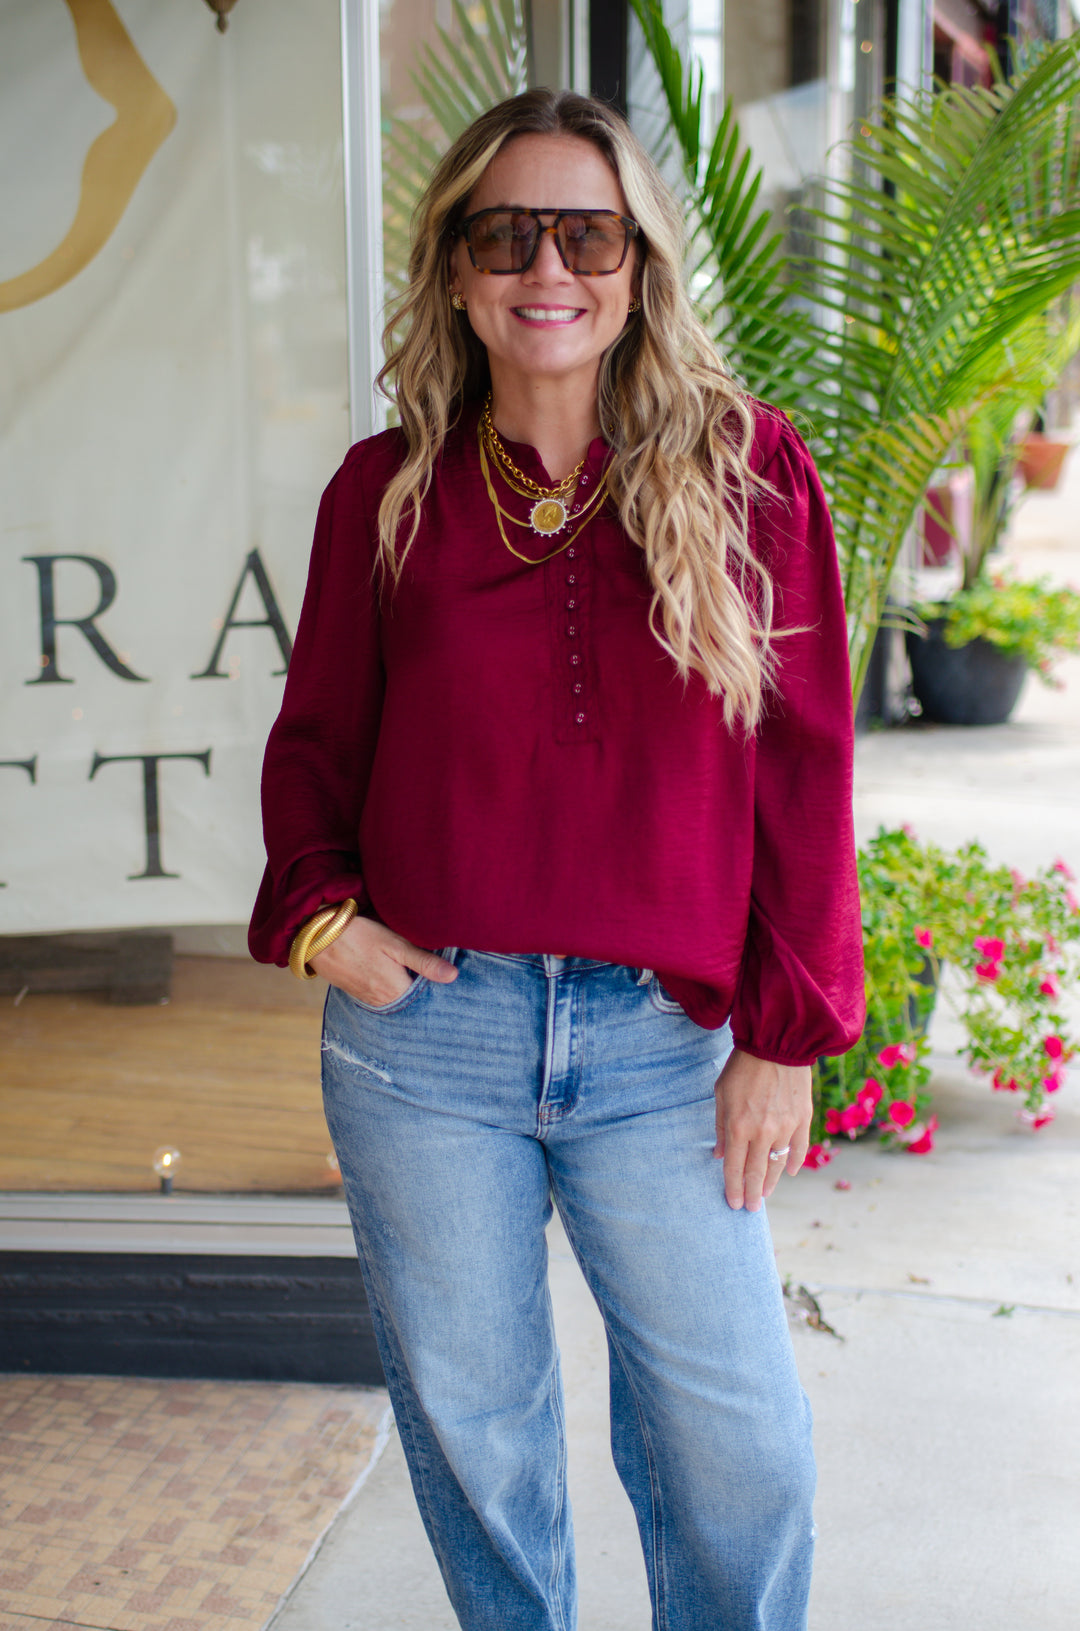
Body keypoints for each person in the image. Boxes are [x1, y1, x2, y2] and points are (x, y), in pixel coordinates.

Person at [250, 87, 864, 1631]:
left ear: (641, 264)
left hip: (665, 1046)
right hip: (428, 1046)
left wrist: (781, 1039)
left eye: (585, 231)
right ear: (456, 270)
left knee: (740, 1450)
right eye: (505, 233)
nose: (549, 266)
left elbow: (804, 774)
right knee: (479, 1436)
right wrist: (328, 926)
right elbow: (317, 742)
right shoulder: (383, 491)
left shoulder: (755, 479)